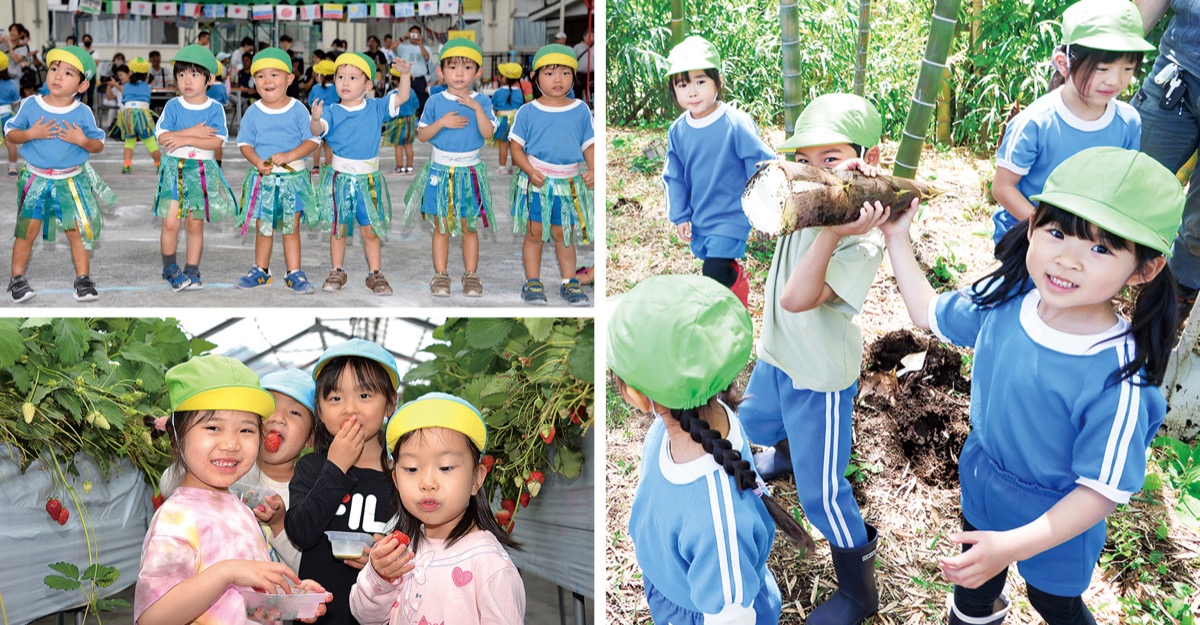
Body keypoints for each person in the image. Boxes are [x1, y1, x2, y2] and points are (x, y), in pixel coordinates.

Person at [884, 146, 1181, 625]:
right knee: (975, 586)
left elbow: (1100, 491)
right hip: (983, 481)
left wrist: (1011, 545)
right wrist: (897, 237)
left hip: (1060, 516)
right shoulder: (1006, 298)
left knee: (1052, 602)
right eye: (1058, 231)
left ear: (1145, 269)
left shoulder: (1119, 376)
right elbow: (929, 313)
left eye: (1102, 248)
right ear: (1031, 226)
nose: (1068, 259)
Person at [738, 93, 888, 625]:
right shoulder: (803, 204)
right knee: (754, 420)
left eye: (833, 159)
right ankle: (784, 453)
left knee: (822, 492)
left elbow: (798, 298)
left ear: (869, 159)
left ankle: (858, 590)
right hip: (778, 355)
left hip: (817, 378)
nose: (817, 172)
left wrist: (832, 231)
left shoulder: (859, 239)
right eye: (807, 159)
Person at [609, 274, 815, 625]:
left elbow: (730, 615)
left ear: (639, 397)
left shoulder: (718, 525)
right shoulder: (696, 426)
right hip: (677, 588)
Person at [134, 355, 331, 625]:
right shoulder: (176, 520)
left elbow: (244, 605)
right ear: (177, 437)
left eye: (246, 430)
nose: (231, 443)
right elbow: (152, 619)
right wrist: (227, 572)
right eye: (213, 427)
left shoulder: (241, 510)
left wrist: (290, 600)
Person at [349, 393, 526, 624]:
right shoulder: (403, 551)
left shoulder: (489, 564)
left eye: (445, 467)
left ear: (476, 478)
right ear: (396, 480)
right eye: (412, 469)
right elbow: (365, 616)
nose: (428, 482)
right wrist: (379, 576)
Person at [990, 0, 1150, 244]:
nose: (1115, 81)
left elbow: (1122, 183)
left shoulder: (1128, 121)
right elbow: (1003, 188)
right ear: (1064, 63)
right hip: (1025, 230)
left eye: (1127, 69)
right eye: (1102, 68)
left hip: (1087, 237)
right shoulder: (1035, 122)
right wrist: (1050, 233)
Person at [285, 339, 401, 625]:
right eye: (335, 398)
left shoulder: (401, 478)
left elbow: (415, 550)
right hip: (315, 618)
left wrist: (382, 563)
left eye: (364, 396)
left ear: (390, 403)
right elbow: (300, 532)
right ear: (320, 412)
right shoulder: (311, 468)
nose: (350, 409)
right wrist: (336, 467)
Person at [661, 35, 772, 307]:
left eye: (701, 82)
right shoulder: (678, 130)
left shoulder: (734, 123)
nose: (693, 91)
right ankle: (727, 302)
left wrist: (768, 209)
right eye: (683, 84)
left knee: (713, 272)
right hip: (703, 214)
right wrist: (680, 215)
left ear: (717, 82)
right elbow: (673, 177)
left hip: (733, 213)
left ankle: (738, 290)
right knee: (713, 269)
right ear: (674, 90)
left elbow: (761, 164)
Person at [4, 46, 115, 303]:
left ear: (83, 85)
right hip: (36, 180)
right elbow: (10, 133)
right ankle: (17, 278)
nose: (57, 75)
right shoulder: (31, 104)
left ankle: (83, 279)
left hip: (70, 182)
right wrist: (31, 134)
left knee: (76, 232)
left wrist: (82, 140)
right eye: (54, 68)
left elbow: (98, 144)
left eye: (67, 72)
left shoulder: (82, 113)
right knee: (27, 230)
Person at [310, 52, 411, 296]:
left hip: (369, 179)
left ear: (367, 85)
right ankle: (336, 270)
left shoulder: (376, 108)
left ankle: (375, 273)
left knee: (370, 229)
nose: (345, 82)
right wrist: (314, 119)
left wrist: (405, 74)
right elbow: (318, 130)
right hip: (340, 179)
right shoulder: (331, 111)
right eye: (340, 77)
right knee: (339, 228)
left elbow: (402, 97)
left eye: (353, 77)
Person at [403, 39, 496, 298]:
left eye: (467, 67)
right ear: (440, 72)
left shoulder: (483, 101)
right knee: (441, 226)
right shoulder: (434, 101)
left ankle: (471, 275)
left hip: (470, 171)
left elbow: (488, 133)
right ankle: (441, 274)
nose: (459, 73)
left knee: (469, 226)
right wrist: (442, 122)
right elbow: (422, 135)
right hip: (440, 171)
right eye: (452, 67)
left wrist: (476, 107)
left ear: (478, 72)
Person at [510, 44, 595, 306]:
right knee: (535, 233)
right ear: (535, 78)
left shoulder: (581, 110)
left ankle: (570, 281)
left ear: (574, 76)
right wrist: (529, 170)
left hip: (569, 183)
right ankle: (532, 281)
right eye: (549, 73)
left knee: (564, 235)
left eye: (564, 73)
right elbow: (516, 148)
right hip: (537, 183)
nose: (557, 80)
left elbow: (588, 144)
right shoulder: (528, 111)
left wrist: (592, 169)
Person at [234, 47, 321, 294]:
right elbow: (245, 143)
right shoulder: (253, 111)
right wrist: (255, 161)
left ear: (289, 78)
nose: (267, 81)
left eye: (274, 74)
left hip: (292, 180)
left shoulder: (297, 109)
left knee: (290, 228)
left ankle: (294, 272)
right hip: (264, 181)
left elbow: (312, 141)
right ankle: (261, 270)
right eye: (260, 76)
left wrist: (289, 156)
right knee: (263, 228)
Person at [152, 45, 237, 292]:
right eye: (181, 75)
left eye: (194, 75)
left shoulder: (214, 108)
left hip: (202, 169)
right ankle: (169, 268)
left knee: (194, 223)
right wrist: (191, 133)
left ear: (210, 79)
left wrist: (185, 139)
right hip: (174, 169)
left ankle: (192, 268)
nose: (186, 81)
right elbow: (163, 137)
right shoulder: (172, 106)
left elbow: (216, 141)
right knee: (170, 222)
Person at [1136, 0, 1200, 317]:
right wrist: (1114, 45)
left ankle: (1165, 315)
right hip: (1180, 68)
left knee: (1199, 229)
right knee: (1132, 185)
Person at [112, 57, 162, 174]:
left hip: (128, 115)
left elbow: (124, 100)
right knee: (150, 142)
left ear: (131, 73)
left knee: (129, 142)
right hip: (143, 115)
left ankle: (127, 166)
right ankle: (159, 166)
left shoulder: (126, 86)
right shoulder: (147, 86)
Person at [383, 69, 419, 175]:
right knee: (408, 145)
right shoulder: (411, 92)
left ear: (394, 80)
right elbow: (417, 105)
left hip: (396, 122)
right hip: (410, 121)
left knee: (398, 146)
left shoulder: (392, 93)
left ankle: (399, 167)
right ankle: (409, 167)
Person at [490, 63, 524, 175]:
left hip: (503, 121)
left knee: (503, 146)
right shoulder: (519, 91)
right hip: (516, 122)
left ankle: (502, 167)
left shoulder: (498, 92)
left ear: (504, 78)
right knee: (515, 146)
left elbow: (493, 106)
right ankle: (514, 167)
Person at [306, 58, 337, 173]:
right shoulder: (336, 88)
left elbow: (310, 101)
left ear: (321, 76)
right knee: (328, 145)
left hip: (317, 119)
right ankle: (329, 166)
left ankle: (316, 167)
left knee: (317, 144)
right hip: (332, 120)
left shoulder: (315, 88)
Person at [393, 25, 431, 113]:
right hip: (405, 78)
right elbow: (391, 48)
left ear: (420, 35)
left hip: (420, 79)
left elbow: (426, 57)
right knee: (405, 99)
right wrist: (402, 38)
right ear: (409, 34)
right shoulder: (403, 47)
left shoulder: (426, 48)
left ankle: (422, 121)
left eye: (417, 34)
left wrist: (420, 44)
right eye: (412, 33)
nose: (414, 36)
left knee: (423, 101)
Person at [0, 52, 20, 175]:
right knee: (10, 141)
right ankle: (12, 167)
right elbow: (16, 101)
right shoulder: (11, 84)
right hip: (6, 114)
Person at [573, 32, 594, 105]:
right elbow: (572, 59)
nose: (591, 38)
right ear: (584, 37)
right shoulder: (577, 47)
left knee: (591, 92)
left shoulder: (595, 47)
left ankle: (590, 106)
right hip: (579, 74)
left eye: (593, 36)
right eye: (589, 36)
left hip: (591, 74)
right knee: (577, 91)